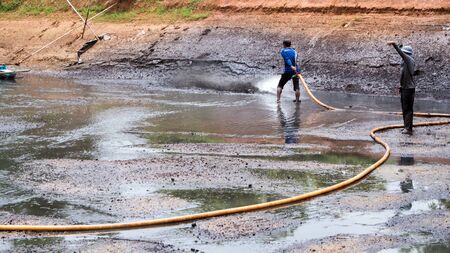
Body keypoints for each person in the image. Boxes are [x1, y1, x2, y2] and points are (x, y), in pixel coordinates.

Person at [388, 41, 416, 135]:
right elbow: (404, 75)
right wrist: (400, 86)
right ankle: (407, 127)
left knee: (407, 109)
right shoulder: (406, 61)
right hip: (406, 88)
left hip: (408, 89)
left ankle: (408, 129)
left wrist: (394, 45)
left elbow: (401, 53)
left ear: (406, 54)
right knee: (406, 109)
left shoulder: (408, 59)